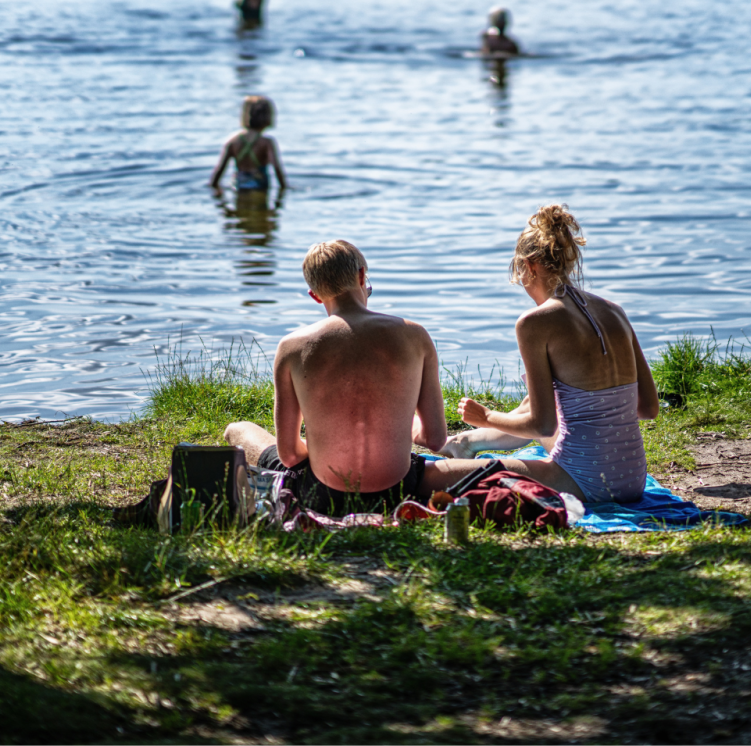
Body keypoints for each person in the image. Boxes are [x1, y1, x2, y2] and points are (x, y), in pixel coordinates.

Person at [425, 205, 659, 503]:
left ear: (529, 265)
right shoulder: (615, 311)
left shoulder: (534, 323)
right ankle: (466, 443)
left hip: (586, 480)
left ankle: (468, 443)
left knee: (433, 476)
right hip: (632, 478)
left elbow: (542, 425)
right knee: (554, 397)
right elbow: (648, 409)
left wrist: (486, 416)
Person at [225, 240, 449, 514]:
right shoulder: (415, 335)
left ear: (315, 296)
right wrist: (402, 427)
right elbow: (436, 439)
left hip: (322, 494)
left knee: (237, 429)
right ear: (362, 276)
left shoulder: (291, 347)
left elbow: (290, 455)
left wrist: (328, 443)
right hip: (399, 491)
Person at [209, 95, 287, 192]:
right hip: (259, 186)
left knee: (240, 205)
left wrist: (214, 187)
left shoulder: (233, 141)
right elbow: (276, 167)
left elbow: (219, 169)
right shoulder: (267, 142)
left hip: (239, 185)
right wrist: (284, 188)